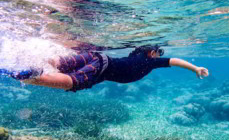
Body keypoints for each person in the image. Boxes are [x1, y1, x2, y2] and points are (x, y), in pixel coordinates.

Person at [10, 45, 209, 92]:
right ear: (151, 52)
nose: (160, 56)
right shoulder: (150, 61)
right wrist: (195, 68)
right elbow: (175, 60)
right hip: (103, 66)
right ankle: (23, 75)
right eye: (158, 52)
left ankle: (28, 58)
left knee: (61, 63)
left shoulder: (135, 57)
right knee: (71, 82)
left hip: (99, 62)